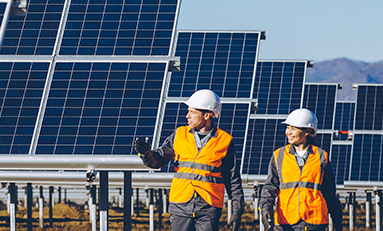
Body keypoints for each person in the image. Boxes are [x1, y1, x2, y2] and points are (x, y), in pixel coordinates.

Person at [135, 89, 244, 231]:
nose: (187, 116)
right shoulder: (179, 135)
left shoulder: (225, 141)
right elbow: (158, 160)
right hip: (180, 206)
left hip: (209, 208)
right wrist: (146, 153)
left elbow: (232, 179)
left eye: (192, 112)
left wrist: (237, 211)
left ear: (207, 115)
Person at [259, 108, 343, 231]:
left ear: (308, 131)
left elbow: (329, 192)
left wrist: (337, 221)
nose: (289, 132)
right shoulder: (279, 155)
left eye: (293, 128)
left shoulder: (321, 156)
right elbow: (269, 187)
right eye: (287, 128)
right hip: (286, 222)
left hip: (314, 223)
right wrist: (265, 209)